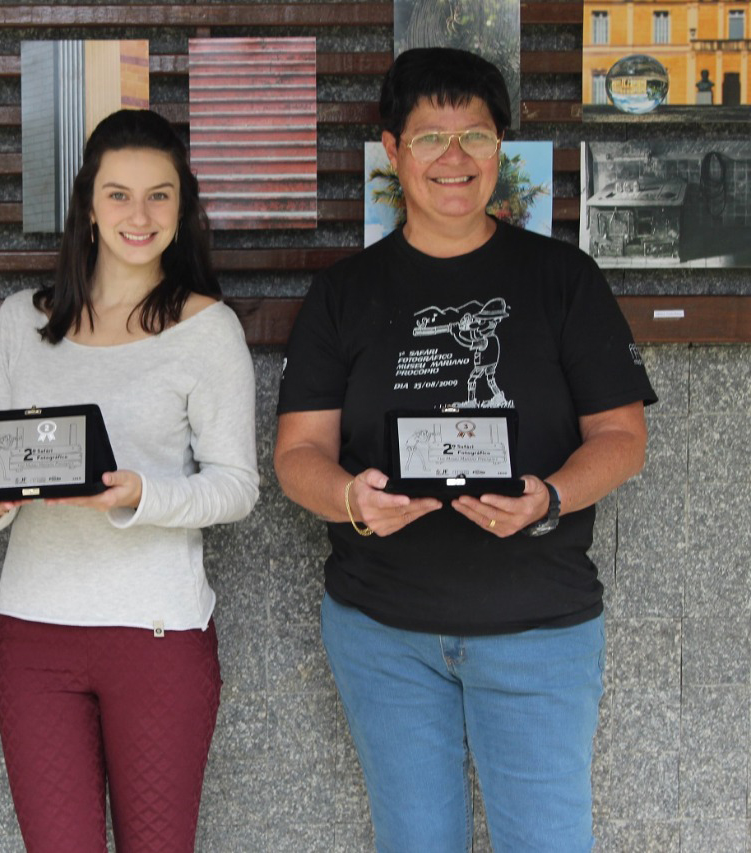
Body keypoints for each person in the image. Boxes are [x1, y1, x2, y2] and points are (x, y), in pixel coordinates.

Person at [274, 48, 656, 852]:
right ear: (390, 150)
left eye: (476, 137)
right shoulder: (344, 293)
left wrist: (549, 496)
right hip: (383, 632)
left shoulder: (563, 279)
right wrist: (351, 499)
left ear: (501, 150)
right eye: (429, 138)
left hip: (539, 627)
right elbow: (298, 452)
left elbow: (622, 437)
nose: (454, 160)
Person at [0, 108, 259, 852]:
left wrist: (143, 496)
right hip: (34, 633)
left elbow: (237, 485)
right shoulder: (21, 323)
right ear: (88, 205)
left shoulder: (207, 328)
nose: (140, 214)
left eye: (159, 195)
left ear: (183, 206)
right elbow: (5, 466)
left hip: (157, 634)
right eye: (119, 194)